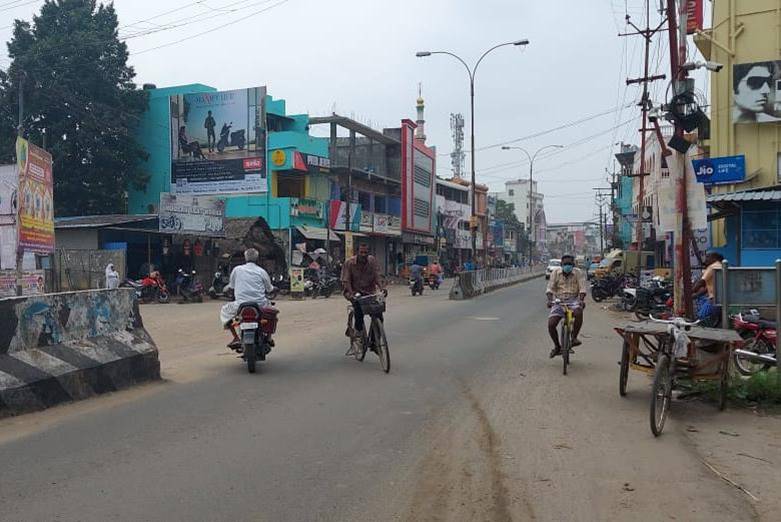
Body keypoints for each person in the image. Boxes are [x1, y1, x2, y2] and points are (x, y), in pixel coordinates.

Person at [220, 248, 274, 349]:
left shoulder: (237, 270)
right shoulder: (261, 271)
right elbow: (269, 288)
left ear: (245, 258)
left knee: (225, 311)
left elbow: (231, 286)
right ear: (257, 259)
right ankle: (269, 337)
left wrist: (227, 289)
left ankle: (236, 337)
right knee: (272, 314)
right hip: (260, 305)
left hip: (240, 304)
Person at [545, 253, 587, 358]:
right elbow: (550, 288)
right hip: (559, 301)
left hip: (573, 300)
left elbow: (582, 288)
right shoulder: (555, 273)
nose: (567, 266)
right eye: (565, 264)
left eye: (569, 264)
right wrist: (550, 300)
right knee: (551, 324)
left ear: (573, 264)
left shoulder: (578, 273)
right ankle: (557, 347)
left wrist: (581, 300)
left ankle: (574, 338)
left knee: (579, 311)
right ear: (562, 264)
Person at [342, 242, 383, 339]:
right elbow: (346, 280)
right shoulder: (349, 263)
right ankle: (358, 330)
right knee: (358, 307)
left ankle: (374, 341)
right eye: (361, 252)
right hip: (353, 291)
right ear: (357, 252)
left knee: (378, 314)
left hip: (369, 292)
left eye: (366, 252)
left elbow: (377, 275)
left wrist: (382, 287)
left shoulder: (372, 261)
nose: (363, 255)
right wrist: (352, 294)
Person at [693, 251, 724, 323]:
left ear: (714, 258)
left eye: (708, 257)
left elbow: (701, 282)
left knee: (701, 317)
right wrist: (696, 295)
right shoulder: (721, 266)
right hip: (722, 298)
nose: (705, 259)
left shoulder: (712, 267)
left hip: (714, 298)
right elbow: (707, 288)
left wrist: (690, 292)